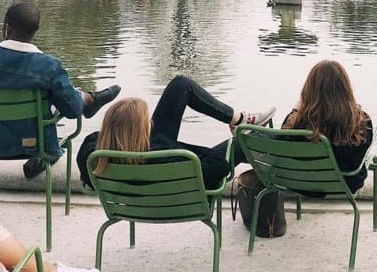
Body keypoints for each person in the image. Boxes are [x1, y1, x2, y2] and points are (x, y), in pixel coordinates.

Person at [0, 2, 121, 179]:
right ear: (36, 31)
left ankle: (86, 98)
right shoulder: (49, 66)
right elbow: (71, 111)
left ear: (6, 26)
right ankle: (86, 99)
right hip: (32, 145)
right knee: (65, 101)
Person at [77, 78, 276, 190]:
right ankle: (285, 143)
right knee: (242, 143)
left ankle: (238, 118)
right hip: (192, 175)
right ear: (139, 131)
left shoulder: (91, 154)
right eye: (146, 122)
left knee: (180, 86)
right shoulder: (167, 155)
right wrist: (177, 147)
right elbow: (217, 169)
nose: (150, 124)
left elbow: (96, 142)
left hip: (139, 185)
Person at [280, 60, 373, 193]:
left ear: (308, 89)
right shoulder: (361, 122)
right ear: (346, 89)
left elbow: (283, 144)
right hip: (344, 186)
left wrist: (298, 109)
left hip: (299, 184)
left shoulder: (296, 122)